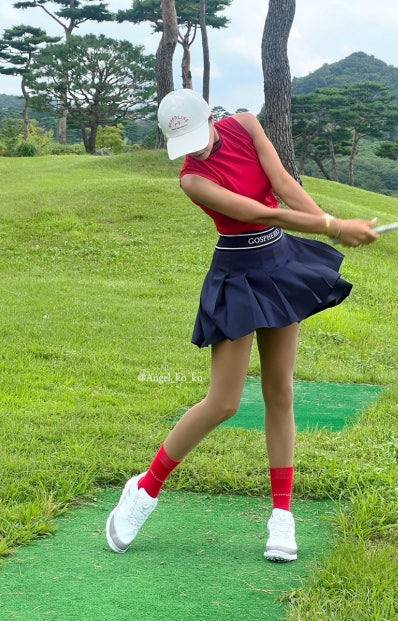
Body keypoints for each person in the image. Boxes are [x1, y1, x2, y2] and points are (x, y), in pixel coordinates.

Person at [106, 88, 379, 563]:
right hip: (235, 274)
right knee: (224, 402)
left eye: (198, 137)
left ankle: (282, 514)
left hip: (278, 264)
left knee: (280, 391)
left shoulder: (247, 125)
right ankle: (144, 489)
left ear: (211, 118)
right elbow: (258, 212)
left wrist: (329, 222)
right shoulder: (192, 180)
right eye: (184, 145)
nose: (195, 150)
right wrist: (334, 227)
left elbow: (283, 185)